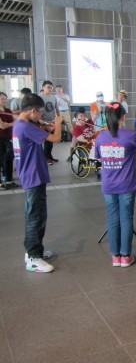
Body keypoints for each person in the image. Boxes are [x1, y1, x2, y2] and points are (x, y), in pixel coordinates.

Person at [95, 102, 136, 267]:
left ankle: (115, 256)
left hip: (108, 185)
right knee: (126, 218)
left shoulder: (100, 137)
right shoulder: (130, 135)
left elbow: (99, 158)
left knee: (112, 219)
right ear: (123, 117)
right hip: (126, 185)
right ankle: (126, 255)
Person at [13, 93, 62, 272]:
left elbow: (39, 137)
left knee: (36, 215)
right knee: (35, 216)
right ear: (32, 110)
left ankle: (34, 251)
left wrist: (44, 127)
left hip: (30, 175)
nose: (41, 115)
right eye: (40, 112)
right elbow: (56, 138)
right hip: (33, 176)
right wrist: (57, 124)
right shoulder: (26, 127)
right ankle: (33, 257)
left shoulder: (20, 124)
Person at [0, 92, 17, 188]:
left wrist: (9, 124)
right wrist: (10, 123)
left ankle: (9, 181)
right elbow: (2, 126)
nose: (4, 100)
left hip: (9, 138)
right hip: (1, 139)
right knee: (2, 160)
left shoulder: (8, 110)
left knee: (10, 158)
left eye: (5, 98)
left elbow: (16, 120)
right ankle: (2, 182)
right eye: (2, 98)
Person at [40, 80, 59, 164]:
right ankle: (45, 158)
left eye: (51, 87)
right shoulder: (39, 98)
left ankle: (48, 156)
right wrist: (42, 122)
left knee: (50, 142)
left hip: (52, 122)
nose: (50, 89)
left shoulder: (53, 97)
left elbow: (56, 108)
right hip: (43, 123)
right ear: (43, 87)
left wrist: (58, 118)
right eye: (48, 87)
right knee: (47, 141)